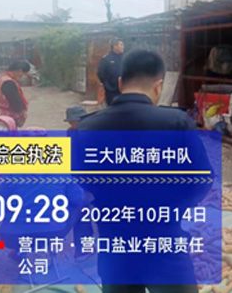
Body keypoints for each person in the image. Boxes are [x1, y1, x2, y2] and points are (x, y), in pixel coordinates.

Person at [79, 49, 210, 293]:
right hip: (164, 243)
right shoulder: (177, 123)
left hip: (115, 249)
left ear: (120, 83)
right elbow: (202, 180)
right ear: (158, 86)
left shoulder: (88, 128)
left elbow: (81, 181)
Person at [0, 60, 30, 130]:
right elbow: (16, 105)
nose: (22, 78)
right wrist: (22, 113)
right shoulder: (8, 83)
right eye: (23, 74)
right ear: (19, 71)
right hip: (2, 122)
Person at [97, 38, 124, 105]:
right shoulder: (106, 59)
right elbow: (100, 73)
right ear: (115, 46)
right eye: (121, 45)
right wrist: (108, 86)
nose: (123, 47)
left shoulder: (125, 58)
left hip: (124, 90)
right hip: (112, 92)